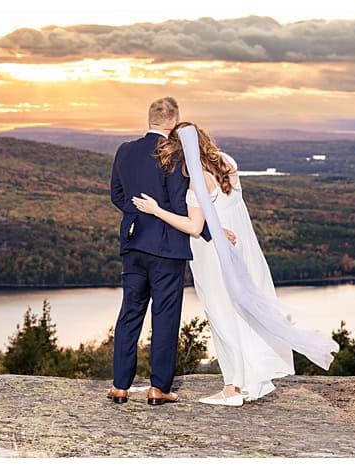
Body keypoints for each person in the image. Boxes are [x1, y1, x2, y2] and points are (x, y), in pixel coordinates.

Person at [132, 122, 337, 406]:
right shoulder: (228, 163)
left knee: (221, 315)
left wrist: (156, 210)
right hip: (243, 249)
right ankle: (251, 382)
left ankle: (233, 388)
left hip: (214, 254)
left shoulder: (197, 180)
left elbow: (193, 226)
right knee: (242, 313)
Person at [107, 97, 212, 406]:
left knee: (130, 312)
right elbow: (181, 203)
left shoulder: (125, 151)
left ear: (151, 119)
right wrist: (209, 233)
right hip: (167, 248)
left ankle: (120, 387)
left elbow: (117, 194)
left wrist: (136, 217)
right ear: (172, 121)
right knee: (164, 316)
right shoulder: (176, 154)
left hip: (133, 243)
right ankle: (158, 388)